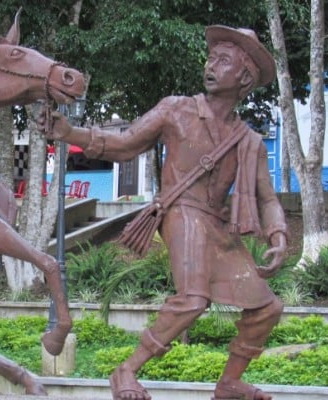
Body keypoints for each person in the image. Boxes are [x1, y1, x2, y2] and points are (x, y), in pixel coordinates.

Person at [39, 25, 287, 400]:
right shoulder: (177, 109)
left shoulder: (248, 140)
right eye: (211, 58)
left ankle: (229, 382)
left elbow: (266, 197)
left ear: (245, 78)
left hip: (218, 225)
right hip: (181, 211)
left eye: (223, 61)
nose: (210, 66)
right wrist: (71, 132)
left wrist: (278, 235)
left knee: (268, 308)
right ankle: (125, 371)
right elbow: (125, 144)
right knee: (193, 298)